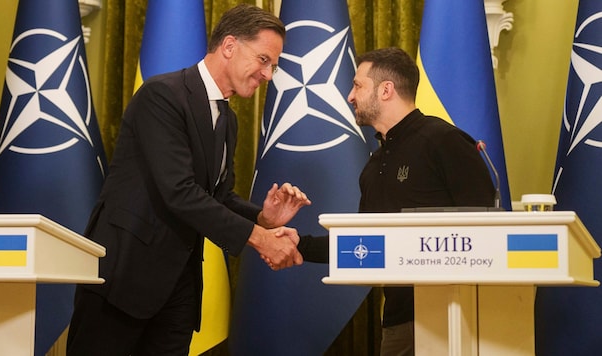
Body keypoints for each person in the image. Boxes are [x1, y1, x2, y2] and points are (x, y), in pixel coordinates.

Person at [66, 4, 311, 356]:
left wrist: (262, 218)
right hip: (123, 279)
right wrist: (260, 239)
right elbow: (178, 192)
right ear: (229, 46)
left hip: (178, 289)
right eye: (263, 59)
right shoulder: (162, 95)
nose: (268, 74)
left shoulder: (228, 121)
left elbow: (218, 195)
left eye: (273, 65)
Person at [297, 47, 495, 355]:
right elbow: (362, 246)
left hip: (458, 317)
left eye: (358, 85)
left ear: (386, 90)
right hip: (399, 321)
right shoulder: (374, 165)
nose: (350, 96)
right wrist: (295, 245)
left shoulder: (445, 141)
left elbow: (488, 231)